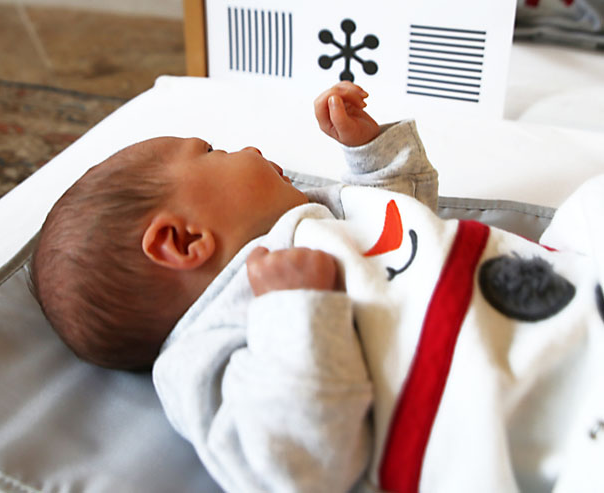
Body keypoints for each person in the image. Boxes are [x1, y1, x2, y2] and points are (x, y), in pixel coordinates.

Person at [31, 82, 604, 492]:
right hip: (508, 406)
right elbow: (298, 467)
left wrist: (370, 153)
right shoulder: (210, 343)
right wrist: (296, 311)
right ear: (183, 241)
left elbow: (404, 228)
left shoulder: (316, 216)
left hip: (556, 281)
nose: (249, 150)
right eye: (211, 153)